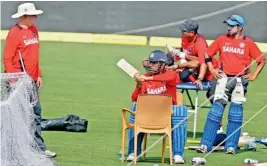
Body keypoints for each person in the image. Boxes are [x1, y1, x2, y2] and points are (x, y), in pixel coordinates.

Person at [197, 15, 266, 154]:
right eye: (228, 25)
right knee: (215, 112)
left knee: (236, 113)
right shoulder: (222, 39)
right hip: (223, 79)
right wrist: (211, 68)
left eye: (232, 25)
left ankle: (231, 146)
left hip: (240, 81)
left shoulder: (248, 43)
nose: (229, 28)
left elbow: (262, 60)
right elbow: (207, 53)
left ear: (240, 27)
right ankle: (205, 144)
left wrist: (253, 75)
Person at [3, 3, 56, 158]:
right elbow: (7, 58)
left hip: (31, 81)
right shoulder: (14, 33)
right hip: (19, 83)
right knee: (18, 116)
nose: (36, 18)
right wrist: (14, 82)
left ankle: (39, 148)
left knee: (35, 113)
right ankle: (13, 149)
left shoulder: (33, 30)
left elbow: (34, 57)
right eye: (33, 15)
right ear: (24, 17)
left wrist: (38, 75)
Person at [126, 50, 187, 164]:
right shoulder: (144, 79)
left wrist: (148, 79)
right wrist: (139, 85)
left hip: (167, 116)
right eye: (150, 62)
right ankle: (133, 152)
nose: (150, 65)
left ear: (163, 65)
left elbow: (169, 77)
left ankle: (178, 154)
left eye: (154, 63)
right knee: (135, 106)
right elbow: (134, 99)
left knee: (180, 110)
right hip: (148, 116)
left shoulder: (170, 75)